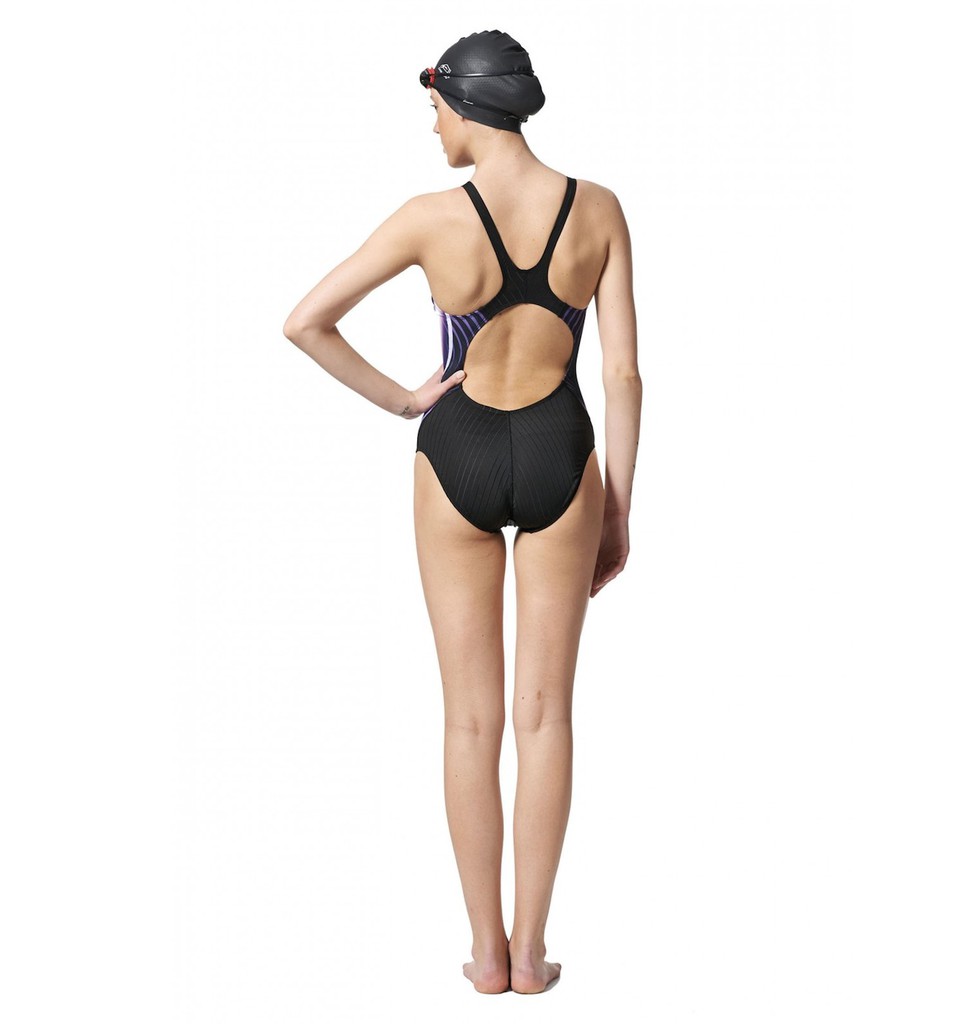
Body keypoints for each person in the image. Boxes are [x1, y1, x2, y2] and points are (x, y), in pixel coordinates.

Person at [282, 29, 641, 995]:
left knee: (470, 720)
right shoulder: (598, 209)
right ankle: (532, 952)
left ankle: (484, 954)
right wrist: (617, 505)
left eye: (434, 108)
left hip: (458, 455)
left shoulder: (429, 219)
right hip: (564, 450)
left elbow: (305, 321)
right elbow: (622, 374)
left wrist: (406, 400)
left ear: (468, 106)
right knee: (545, 716)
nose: (431, 126)